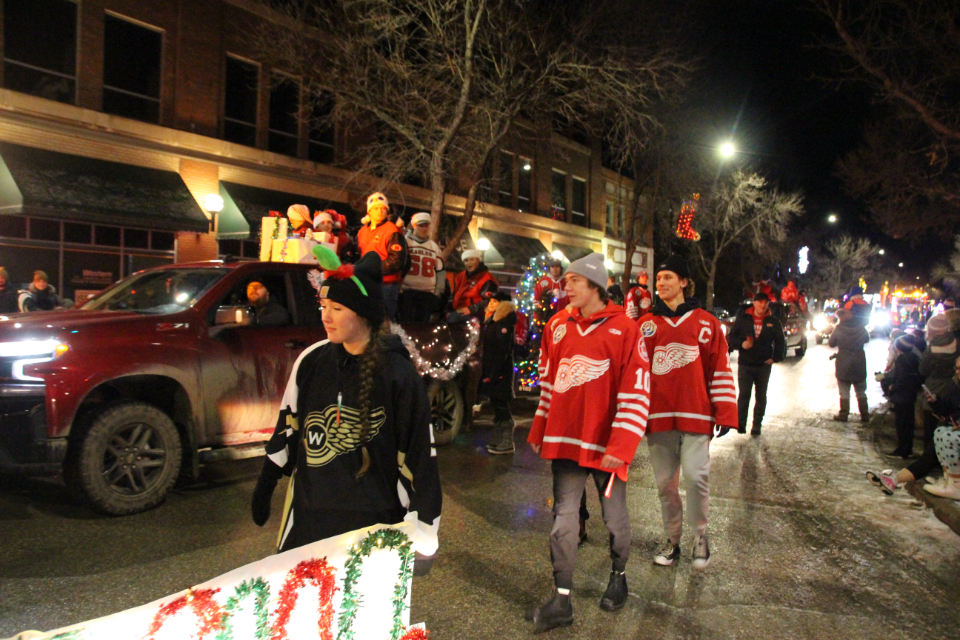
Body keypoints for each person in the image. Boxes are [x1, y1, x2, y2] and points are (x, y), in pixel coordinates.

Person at [251, 249, 442, 570]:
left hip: (375, 524)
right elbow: (288, 424)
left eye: (337, 308)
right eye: (323, 306)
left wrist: (425, 532)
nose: (325, 316)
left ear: (365, 314)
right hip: (309, 519)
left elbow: (421, 456)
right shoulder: (311, 361)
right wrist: (267, 481)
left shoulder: (398, 374)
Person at [526, 253, 650, 631]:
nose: (566, 287)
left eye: (574, 281)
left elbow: (638, 392)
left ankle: (619, 574)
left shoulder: (626, 330)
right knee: (563, 520)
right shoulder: (556, 325)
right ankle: (561, 600)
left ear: (595, 285)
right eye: (566, 281)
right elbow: (549, 383)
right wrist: (538, 428)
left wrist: (621, 446)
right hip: (566, 441)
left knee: (614, 518)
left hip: (607, 446)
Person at [638, 255, 737, 570]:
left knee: (696, 478)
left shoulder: (707, 323)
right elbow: (635, 375)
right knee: (665, 485)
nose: (661, 283)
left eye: (668, 277)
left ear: (683, 282)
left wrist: (724, 412)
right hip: (658, 419)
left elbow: (719, 369)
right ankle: (672, 539)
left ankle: (700, 536)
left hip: (696, 417)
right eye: (659, 278)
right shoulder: (645, 325)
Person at [728, 292, 786, 434]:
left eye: (765, 302)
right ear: (754, 303)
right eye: (760, 302)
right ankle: (740, 423)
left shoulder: (773, 321)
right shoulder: (744, 319)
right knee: (744, 394)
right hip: (746, 364)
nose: (763, 305)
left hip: (763, 365)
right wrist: (741, 344)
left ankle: (756, 425)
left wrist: (775, 358)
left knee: (761, 396)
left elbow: (780, 341)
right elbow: (731, 337)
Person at [357, 192, 408, 321]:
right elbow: (360, 255)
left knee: (384, 321)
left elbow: (396, 261)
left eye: (383, 208)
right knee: (368, 320)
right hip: (367, 282)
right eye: (376, 208)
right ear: (369, 211)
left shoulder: (392, 230)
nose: (380, 211)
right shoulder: (362, 231)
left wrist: (372, 269)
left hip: (386, 284)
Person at [481, 291, 518, 455]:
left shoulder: (504, 324)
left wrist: (494, 373)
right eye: (490, 300)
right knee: (496, 402)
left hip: (500, 370)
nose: (491, 303)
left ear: (503, 305)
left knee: (501, 403)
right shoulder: (493, 321)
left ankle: (507, 440)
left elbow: (502, 351)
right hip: (493, 368)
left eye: (495, 301)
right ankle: (499, 438)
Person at [919, 314, 957, 457]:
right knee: (947, 423)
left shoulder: (932, 349)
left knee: (930, 425)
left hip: (933, 387)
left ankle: (929, 457)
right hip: (952, 386)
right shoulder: (957, 343)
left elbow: (923, 370)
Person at [880, 334, 924, 457]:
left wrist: (892, 387)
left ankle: (902, 449)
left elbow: (901, 378)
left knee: (901, 423)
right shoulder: (914, 358)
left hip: (901, 395)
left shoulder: (901, 359)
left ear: (899, 347)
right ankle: (907, 448)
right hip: (910, 395)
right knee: (908, 423)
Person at [399, 212, 445, 322]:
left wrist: (438, 291)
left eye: (426, 225)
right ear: (414, 225)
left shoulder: (433, 246)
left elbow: (440, 269)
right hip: (407, 291)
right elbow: (399, 264)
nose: (424, 228)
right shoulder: (405, 242)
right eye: (421, 225)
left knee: (422, 326)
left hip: (427, 294)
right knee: (406, 323)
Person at [829, 307, 870, 422]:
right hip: (859, 361)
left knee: (844, 391)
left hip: (843, 362)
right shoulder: (861, 328)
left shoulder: (839, 328)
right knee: (861, 391)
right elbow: (867, 339)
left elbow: (831, 343)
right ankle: (865, 415)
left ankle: (844, 414)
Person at [450, 249, 497, 320]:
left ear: (478, 260)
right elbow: (454, 296)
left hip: (477, 313)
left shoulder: (487, 278)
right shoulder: (460, 276)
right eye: (466, 261)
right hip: (458, 310)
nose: (469, 263)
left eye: (472, 260)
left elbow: (489, 301)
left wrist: (470, 309)